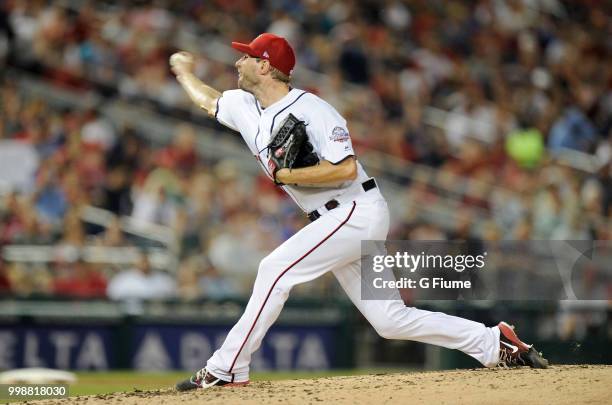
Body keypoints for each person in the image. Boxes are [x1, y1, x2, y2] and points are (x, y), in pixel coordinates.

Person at [170, 33, 548, 390]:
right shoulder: (244, 106)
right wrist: (184, 72)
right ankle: (493, 340)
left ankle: (227, 368)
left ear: (266, 67)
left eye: (247, 56)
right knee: (390, 320)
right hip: (333, 221)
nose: (238, 61)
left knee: (274, 269)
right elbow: (207, 99)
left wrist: (287, 173)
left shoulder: (312, 109)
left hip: (354, 210)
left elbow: (346, 167)